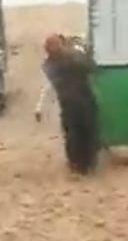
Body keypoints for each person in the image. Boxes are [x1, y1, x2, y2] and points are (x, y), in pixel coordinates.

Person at [39, 33, 101, 175]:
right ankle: (87, 165)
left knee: (74, 135)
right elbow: (91, 67)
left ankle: (78, 165)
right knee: (87, 132)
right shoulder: (71, 59)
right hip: (82, 100)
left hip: (69, 102)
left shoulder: (49, 64)